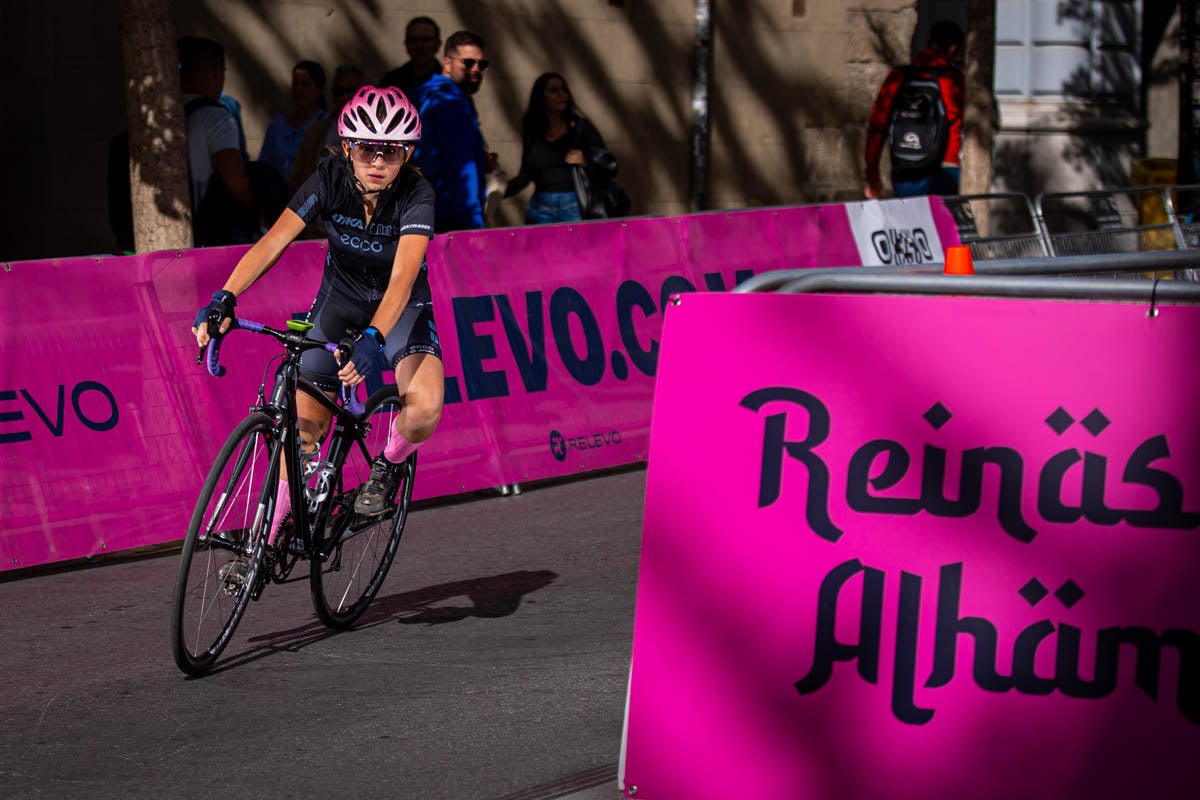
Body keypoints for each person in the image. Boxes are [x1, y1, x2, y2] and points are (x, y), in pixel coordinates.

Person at [192, 86, 442, 566]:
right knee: (301, 430)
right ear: (347, 147)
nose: (378, 161)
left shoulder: (417, 194)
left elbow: (402, 279)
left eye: (391, 151)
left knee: (425, 409)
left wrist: (374, 338)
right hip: (338, 307)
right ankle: (265, 544)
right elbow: (272, 242)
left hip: (402, 308)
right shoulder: (329, 178)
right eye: (367, 148)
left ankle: (386, 469)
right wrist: (226, 296)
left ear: (408, 154)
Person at [864, 20, 965, 199]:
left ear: (928, 43)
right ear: (952, 48)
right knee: (944, 225)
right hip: (945, 168)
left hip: (905, 164)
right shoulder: (953, 78)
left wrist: (873, 175)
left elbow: (877, 127)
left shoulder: (898, 77)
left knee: (909, 224)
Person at [410, 30, 498, 232]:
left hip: (420, 211)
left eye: (482, 64)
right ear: (447, 63)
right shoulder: (450, 102)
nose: (476, 70)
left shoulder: (423, 94)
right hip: (448, 217)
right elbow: (460, 169)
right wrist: (475, 223)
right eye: (468, 63)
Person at [178, 36, 259, 245]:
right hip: (204, 240)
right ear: (216, 72)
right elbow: (238, 185)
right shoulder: (216, 117)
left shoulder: (162, 114)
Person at [504, 72, 612, 224]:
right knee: (538, 248)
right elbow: (525, 175)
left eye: (564, 89)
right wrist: (498, 192)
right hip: (540, 207)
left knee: (575, 248)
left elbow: (609, 166)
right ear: (541, 97)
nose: (561, 95)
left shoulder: (581, 128)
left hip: (574, 204)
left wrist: (585, 160)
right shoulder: (533, 131)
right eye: (554, 91)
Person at [287, 64, 367, 193]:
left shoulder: (375, 134)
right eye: (339, 92)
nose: (345, 97)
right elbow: (296, 178)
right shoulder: (316, 130)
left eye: (352, 92)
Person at [259, 60, 329, 180]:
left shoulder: (327, 125)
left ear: (320, 89)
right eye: (295, 83)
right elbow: (263, 166)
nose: (299, 88)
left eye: (305, 84)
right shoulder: (277, 125)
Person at [379, 17, 443, 97]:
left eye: (426, 40)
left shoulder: (448, 83)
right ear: (406, 44)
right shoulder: (391, 81)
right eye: (414, 40)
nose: (420, 46)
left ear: (438, 44)